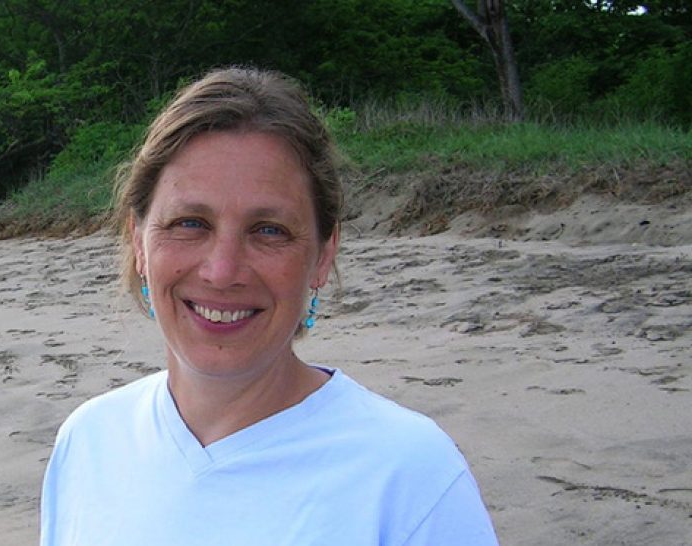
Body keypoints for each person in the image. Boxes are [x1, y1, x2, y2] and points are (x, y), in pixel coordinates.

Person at [40, 67, 499, 546]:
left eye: (269, 230)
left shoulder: (412, 480)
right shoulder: (89, 441)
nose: (222, 271)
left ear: (323, 254)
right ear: (138, 241)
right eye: (190, 223)